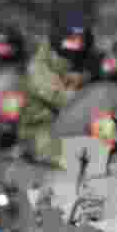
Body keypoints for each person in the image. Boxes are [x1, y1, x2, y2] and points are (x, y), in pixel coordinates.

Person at [19, 11, 98, 169]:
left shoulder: (84, 58)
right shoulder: (40, 69)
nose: (78, 44)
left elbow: (107, 67)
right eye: (72, 39)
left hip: (76, 127)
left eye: (81, 39)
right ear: (59, 38)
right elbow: (68, 100)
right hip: (40, 133)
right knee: (84, 162)